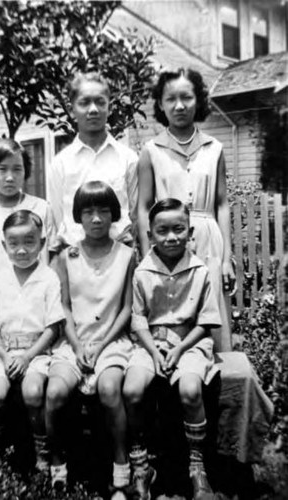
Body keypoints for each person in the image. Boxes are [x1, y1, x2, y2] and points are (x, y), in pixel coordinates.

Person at [123, 199, 221, 500]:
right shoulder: (142, 272)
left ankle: (196, 466)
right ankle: (141, 465)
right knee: (132, 389)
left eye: (178, 229)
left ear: (190, 231)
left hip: (189, 344)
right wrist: (154, 352)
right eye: (162, 231)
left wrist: (178, 352)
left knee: (190, 390)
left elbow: (206, 322)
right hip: (151, 344)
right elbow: (138, 320)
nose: (171, 237)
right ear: (150, 235)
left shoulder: (200, 271)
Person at [45, 181, 135, 498]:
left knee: (110, 388)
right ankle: (57, 466)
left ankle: (121, 470)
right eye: (88, 211)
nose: (96, 218)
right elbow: (64, 307)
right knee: (55, 392)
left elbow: (126, 309)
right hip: (74, 342)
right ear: (78, 217)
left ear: (114, 214)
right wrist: (80, 345)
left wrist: (102, 345)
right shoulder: (67, 257)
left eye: (103, 211)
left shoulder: (126, 255)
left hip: (112, 343)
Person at [137, 68, 236, 351]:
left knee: (210, 317)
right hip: (167, 243)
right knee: (171, 321)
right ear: (160, 104)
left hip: (207, 241)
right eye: (171, 99)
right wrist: (148, 254)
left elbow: (222, 204)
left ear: (198, 100)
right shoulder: (151, 150)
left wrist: (227, 258)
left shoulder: (214, 148)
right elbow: (144, 207)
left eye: (186, 97)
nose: (179, 106)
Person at [0, 210, 65, 471]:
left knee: (33, 391)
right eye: (13, 244)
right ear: (4, 246)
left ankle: (42, 451)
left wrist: (26, 357)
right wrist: (4, 356)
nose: (22, 250)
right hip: (2, 351)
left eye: (29, 242)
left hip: (36, 352)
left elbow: (52, 328)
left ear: (42, 243)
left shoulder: (48, 278)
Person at [0, 138, 57, 348]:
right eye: (2, 169)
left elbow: (52, 261)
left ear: (26, 171)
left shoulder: (41, 208)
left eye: (17, 169)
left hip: (37, 312)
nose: (9, 177)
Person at [47, 71, 138, 247]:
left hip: (120, 256)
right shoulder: (61, 163)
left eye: (100, 102)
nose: (93, 109)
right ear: (72, 108)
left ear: (109, 107)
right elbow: (58, 217)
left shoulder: (128, 159)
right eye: (84, 103)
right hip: (75, 257)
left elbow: (135, 214)